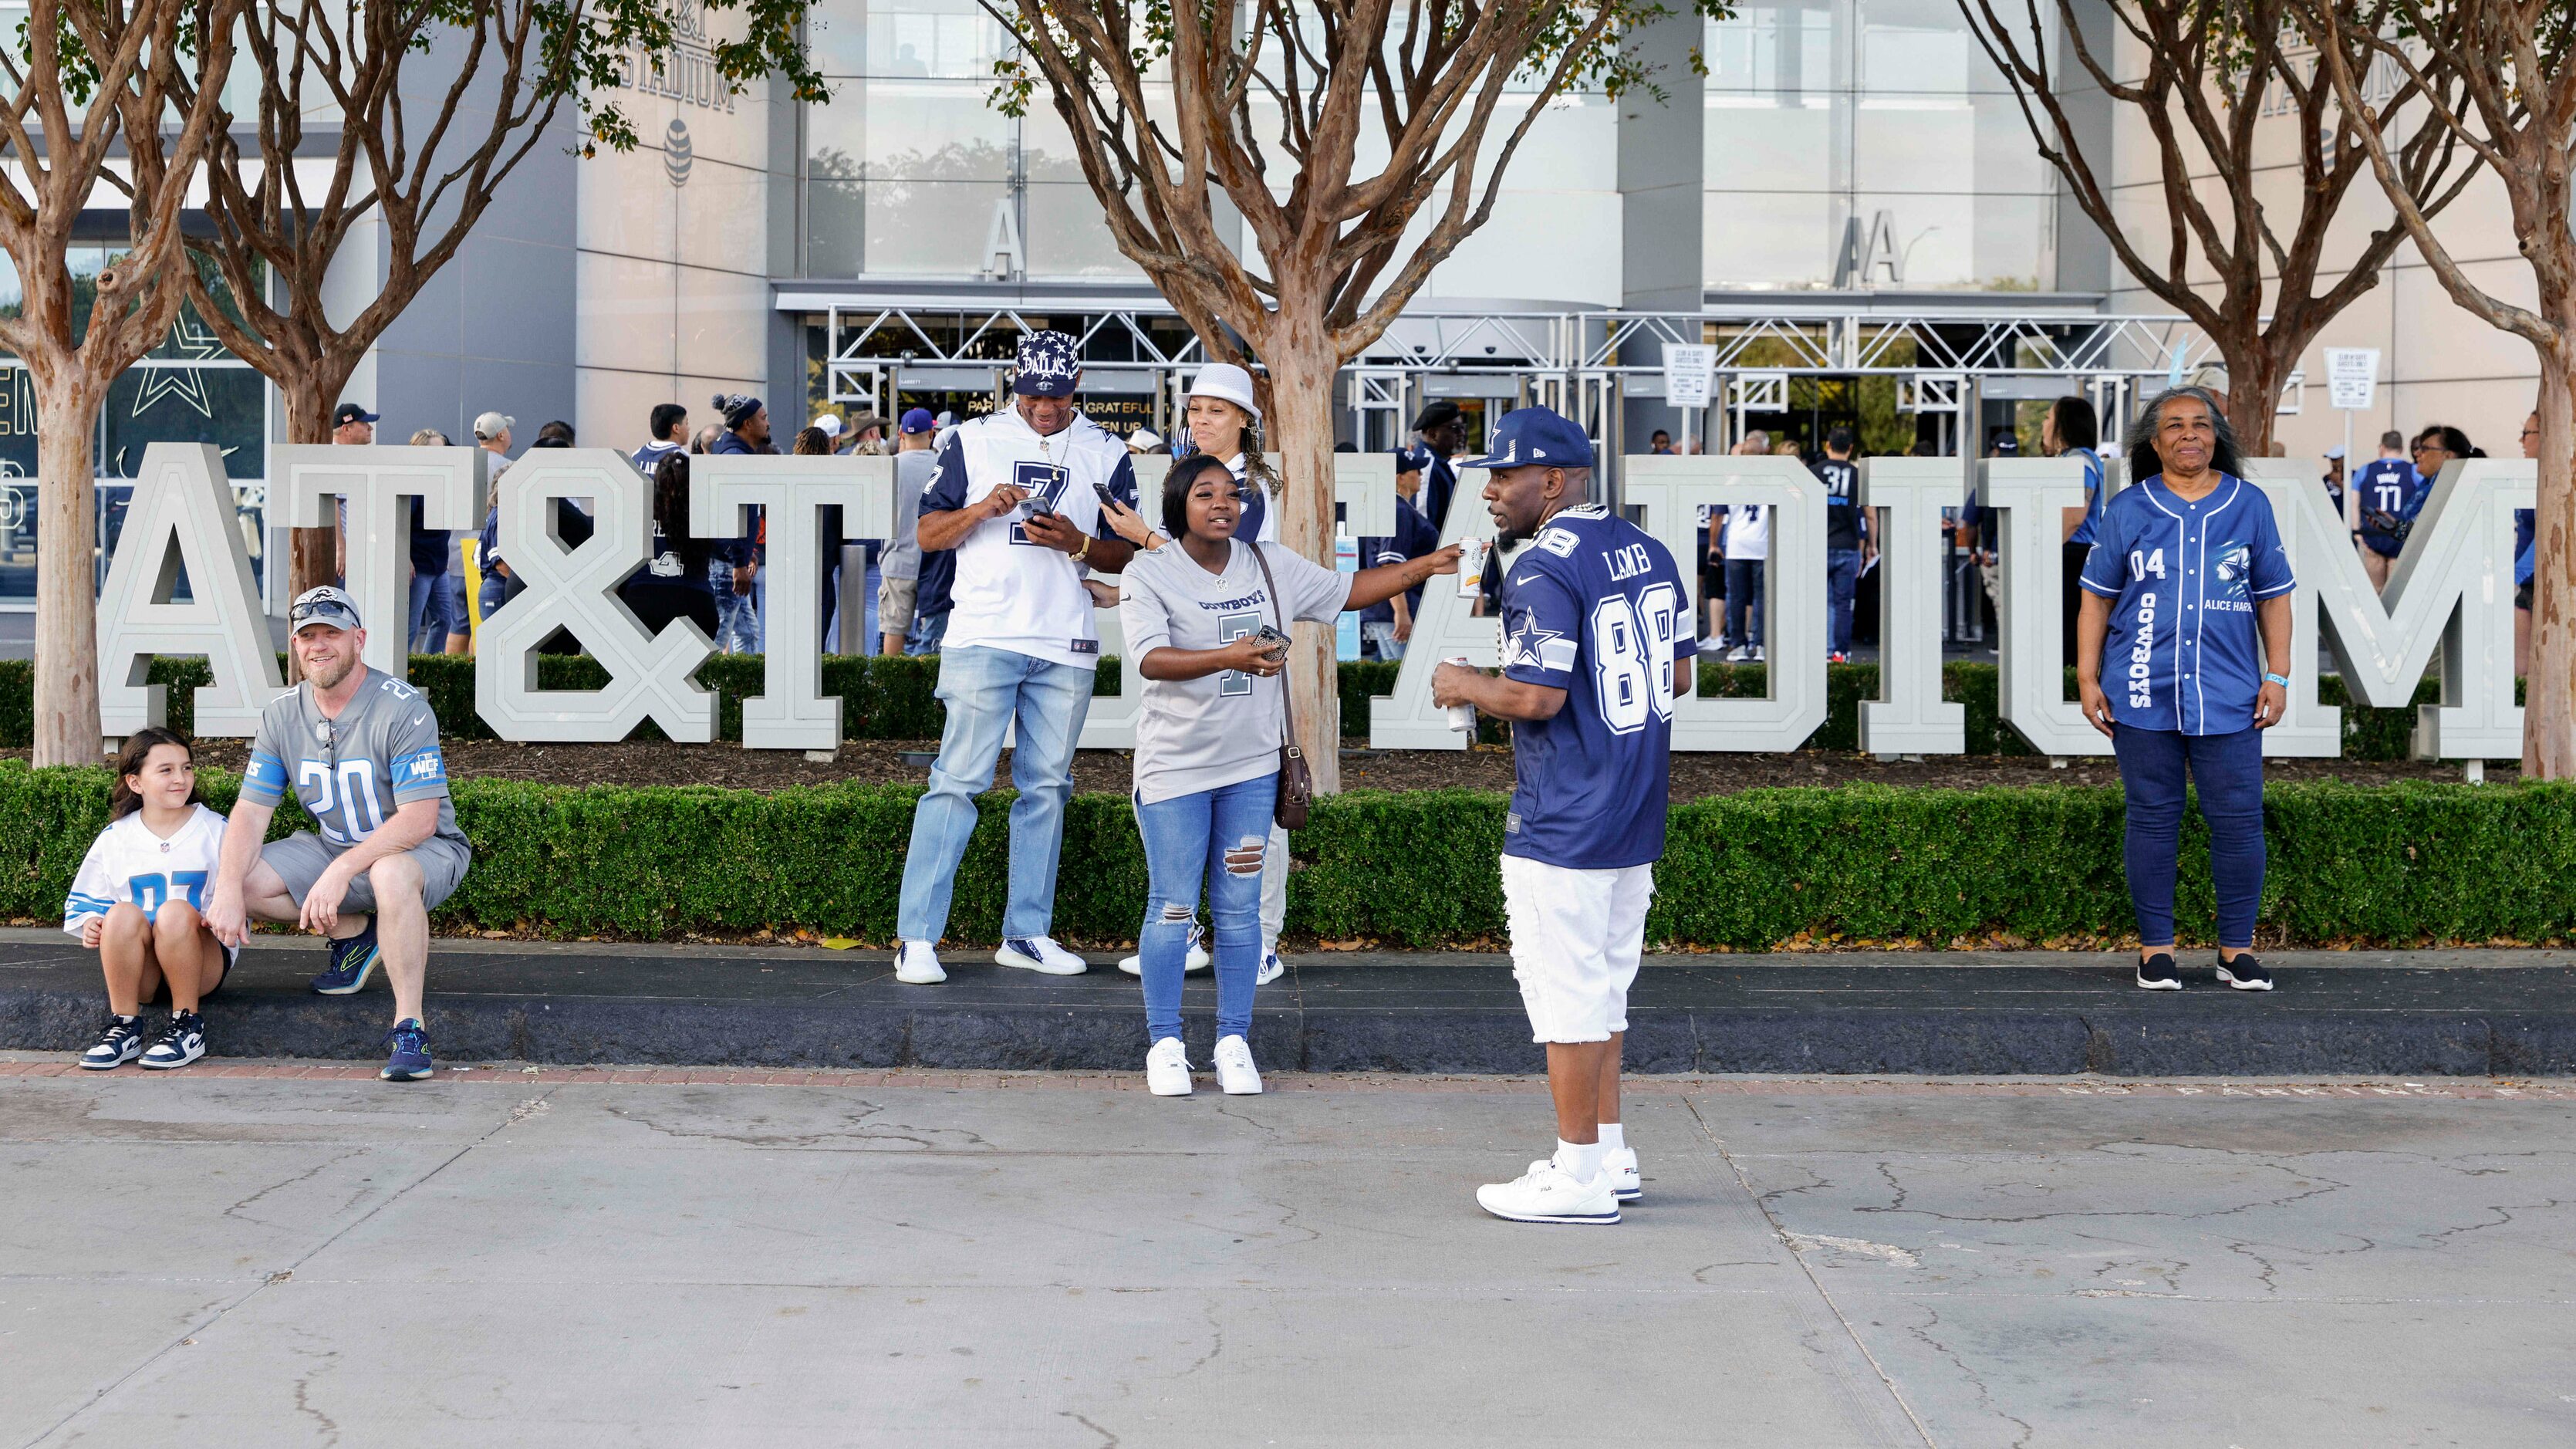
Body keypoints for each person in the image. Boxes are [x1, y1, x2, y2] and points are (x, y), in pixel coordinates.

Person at [1121, 454, 1459, 1095]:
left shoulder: (1270, 563)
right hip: (1175, 771)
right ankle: (1165, 1043)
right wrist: (1231, 656)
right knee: (1171, 907)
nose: (1223, 504)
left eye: (1232, 494)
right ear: (1177, 506)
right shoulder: (1150, 571)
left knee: (1240, 911)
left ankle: (1232, 1040)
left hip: (1251, 769)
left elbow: (1347, 592)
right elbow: (1151, 660)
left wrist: (1425, 566)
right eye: (1204, 494)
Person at [1430, 407, 1690, 1225]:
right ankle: (1609, 1155)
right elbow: (1679, 677)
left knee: (1567, 1002)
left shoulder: (1542, 567)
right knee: (1603, 995)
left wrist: (1463, 682)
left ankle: (1578, 1173)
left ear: (1555, 480)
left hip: (1565, 817)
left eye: (1504, 477)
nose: (1492, 494)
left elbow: (1535, 696)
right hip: (1634, 810)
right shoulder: (1647, 549)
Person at [891, 331, 1139, 985]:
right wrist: (980, 509)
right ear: (1014, 381)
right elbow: (927, 534)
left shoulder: (1108, 452)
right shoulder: (971, 440)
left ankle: (1026, 934)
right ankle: (916, 938)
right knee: (956, 781)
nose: (1045, 408)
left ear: (1076, 383)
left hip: (1067, 643)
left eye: (1057, 397)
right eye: (1032, 395)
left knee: (1048, 790)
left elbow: (1129, 550)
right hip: (984, 636)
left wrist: (1078, 542)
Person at [204, 586, 477, 1081]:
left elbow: (419, 819)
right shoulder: (282, 713)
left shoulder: (403, 707)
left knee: (390, 874)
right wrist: (226, 891)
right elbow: (249, 812)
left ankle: (409, 1027)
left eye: (332, 632)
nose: (319, 645)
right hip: (334, 845)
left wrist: (342, 870)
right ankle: (357, 938)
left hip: (422, 849)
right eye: (308, 635)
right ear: (295, 644)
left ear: (359, 639)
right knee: (239, 883)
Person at [2075, 386, 2293, 995]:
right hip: (2141, 688)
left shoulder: (2248, 505)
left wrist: (2276, 674)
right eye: (2174, 425)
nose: (2188, 434)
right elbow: (2096, 597)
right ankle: (2156, 951)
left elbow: (2274, 595)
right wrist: (2087, 676)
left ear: (2216, 436)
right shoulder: (2127, 509)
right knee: (2151, 819)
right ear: (2154, 441)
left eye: (2200, 424)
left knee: (2239, 822)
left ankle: (2236, 951)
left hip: (2230, 693)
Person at [1096, 362, 1295, 985]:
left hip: (1244, 667)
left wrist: (1142, 539)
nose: (1200, 419)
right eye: (1194, 408)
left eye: (1215, 409)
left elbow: (1229, 569)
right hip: (1204, 671)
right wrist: (1129, 587)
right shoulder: (1211, 479)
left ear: (1245, 420)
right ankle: (1187, 934)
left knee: (1257, 805)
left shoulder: (1249, 490)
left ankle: (1260, 940)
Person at [65, 728, 235, 1071]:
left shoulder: (217, 829)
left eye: (186, 768)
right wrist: (92, 924)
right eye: (166, 770)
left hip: (199, 965)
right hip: (140, 972)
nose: (180, 778)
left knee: (174, 913)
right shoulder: (116, 837)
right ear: (135, 782)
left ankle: (187, 1025)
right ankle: (125, 1026)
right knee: (122, 914)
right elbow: (86, 905)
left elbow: (236, 900)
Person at [618, 452, 721, 638]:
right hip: (696, 604)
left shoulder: (636, 511)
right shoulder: (704, 514)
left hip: (643, 601)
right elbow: (725, 547)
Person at [1358, 450, 1442, 661]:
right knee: (1410, 676)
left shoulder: (1385, 507)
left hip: (1382, 609)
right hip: (1396, 610)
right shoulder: (1398, 510)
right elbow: (1390, 565)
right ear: (1399, 477)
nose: (1421, 476)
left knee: (1393, 678)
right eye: (1416, 471)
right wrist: (1402, 613)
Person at [2044, 396, 2106, 666]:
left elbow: (2074, 516)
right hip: (2074, 554)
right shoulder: (2077, 459)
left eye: (2049, 418)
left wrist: (2041, 552)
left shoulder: (2078, 462)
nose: (2044, 425)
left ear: (2064, 425)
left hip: (2072, 556)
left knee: (2067, 633)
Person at [707, 394, 770, 654]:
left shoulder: (730, 449)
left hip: (729, 561)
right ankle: (704, 692)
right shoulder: (735, 455)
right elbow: (731, 516)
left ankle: (741, 691)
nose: (768, 423)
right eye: (763, 418)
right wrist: (739, 562)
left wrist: (746, 554)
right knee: (717, 638)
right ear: (747, 424)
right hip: (727, 565)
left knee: (747, 632)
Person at [880, 408, 941, 656]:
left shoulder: (889, 466)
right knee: (934, 636)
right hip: (935, 564)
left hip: (897, 561)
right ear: (932, 433)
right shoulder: (943, 465)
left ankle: (888, 689)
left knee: (894, 630)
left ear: (901, 433)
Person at [402, 428, 468, 656]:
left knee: (445, 619)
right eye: (436, 451)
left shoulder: (442, 481)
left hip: (439, 564)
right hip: (418, 565)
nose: (443, 455)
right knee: (410, 627)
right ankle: (400, 673)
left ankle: (425, 667)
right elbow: (400, 524)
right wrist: (405, 558)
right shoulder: (412, 484)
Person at [1815, 425, 1869, 663]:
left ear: (1827, 445)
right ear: (1850, 448)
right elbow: (1870, 514)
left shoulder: (1813, 472)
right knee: (1843, 603)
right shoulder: (1858, 475)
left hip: (1818, 545)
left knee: (1821, 601)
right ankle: (1840, 652)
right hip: (1848, 545)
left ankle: (1824, 650)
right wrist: (1870, 544)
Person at [2348, 429, 2419, 589]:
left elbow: (2354, 502)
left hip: (2373, 535)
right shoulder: (2413, 471)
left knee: (2375, 591)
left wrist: (2357, 532)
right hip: (2401, 535)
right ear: (2401, 449)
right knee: (2396, 592)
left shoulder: (2365, 470)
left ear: (2382, 447)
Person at [471, 411, 516, 630]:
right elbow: (502, 565)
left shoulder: (466, 465)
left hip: (455, 560)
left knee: (463, 626)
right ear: (500, 434)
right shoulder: (501, 515)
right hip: (497, 585)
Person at [329, 403, 378, 586]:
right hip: (345, 557)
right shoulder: (335, 458)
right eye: (364, 423)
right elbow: (332, 504)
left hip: (357, 551)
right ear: (346, 429)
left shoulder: (351, 457)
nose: (370, 428)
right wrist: (340, 549)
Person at [1720, 478, 1768, 663]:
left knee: (1736, 597)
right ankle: (1760, 644)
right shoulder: (1768, 481)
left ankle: (1738, 644)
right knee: (1762, 597)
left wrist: (1714, 544)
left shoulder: (1733, 481)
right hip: (1762, 544)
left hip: (1737, 543)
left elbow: (1719, 513)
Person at [1409, 400, 1467, 531]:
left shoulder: (1438, 462)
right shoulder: (1425, 465)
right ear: (1433, 434)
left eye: (1463, 427)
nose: (1462, 433)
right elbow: (1422, 525)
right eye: (1455, 429)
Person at [2517, 408, 2539, 678]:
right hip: (2528, 582)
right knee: (2522, 674)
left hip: (2537, 581)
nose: (2521, 441)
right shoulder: (2532, 476)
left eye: (2526, 433)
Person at [633, 402, 689, 481]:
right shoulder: (682, 458)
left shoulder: (636, 455)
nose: (688, 428)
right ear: (676, 428)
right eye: (686, 424)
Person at [2321, 444, 2348, 518]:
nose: (2333, 463)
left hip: (2345, 519)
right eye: (2332, 460)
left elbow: (2354, 498)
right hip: (2329, 518)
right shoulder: (2326, 478)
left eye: (2336, 460)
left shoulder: (2354, 476)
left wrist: (2339, 483)